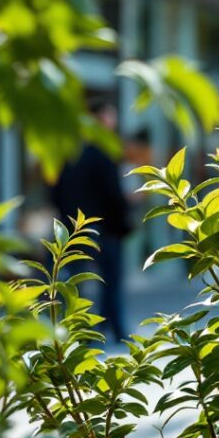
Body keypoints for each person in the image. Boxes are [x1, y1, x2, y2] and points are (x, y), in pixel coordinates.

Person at [50, 102, 132, 341]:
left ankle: (82, 331)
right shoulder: (103, 151)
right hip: (104, 229)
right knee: (110, 282)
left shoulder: (71, 152)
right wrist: (122, 221)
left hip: (74, 230)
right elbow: (113, 194)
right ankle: (113, 329)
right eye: (111, 116)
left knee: (77, 282)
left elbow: (56, 192)